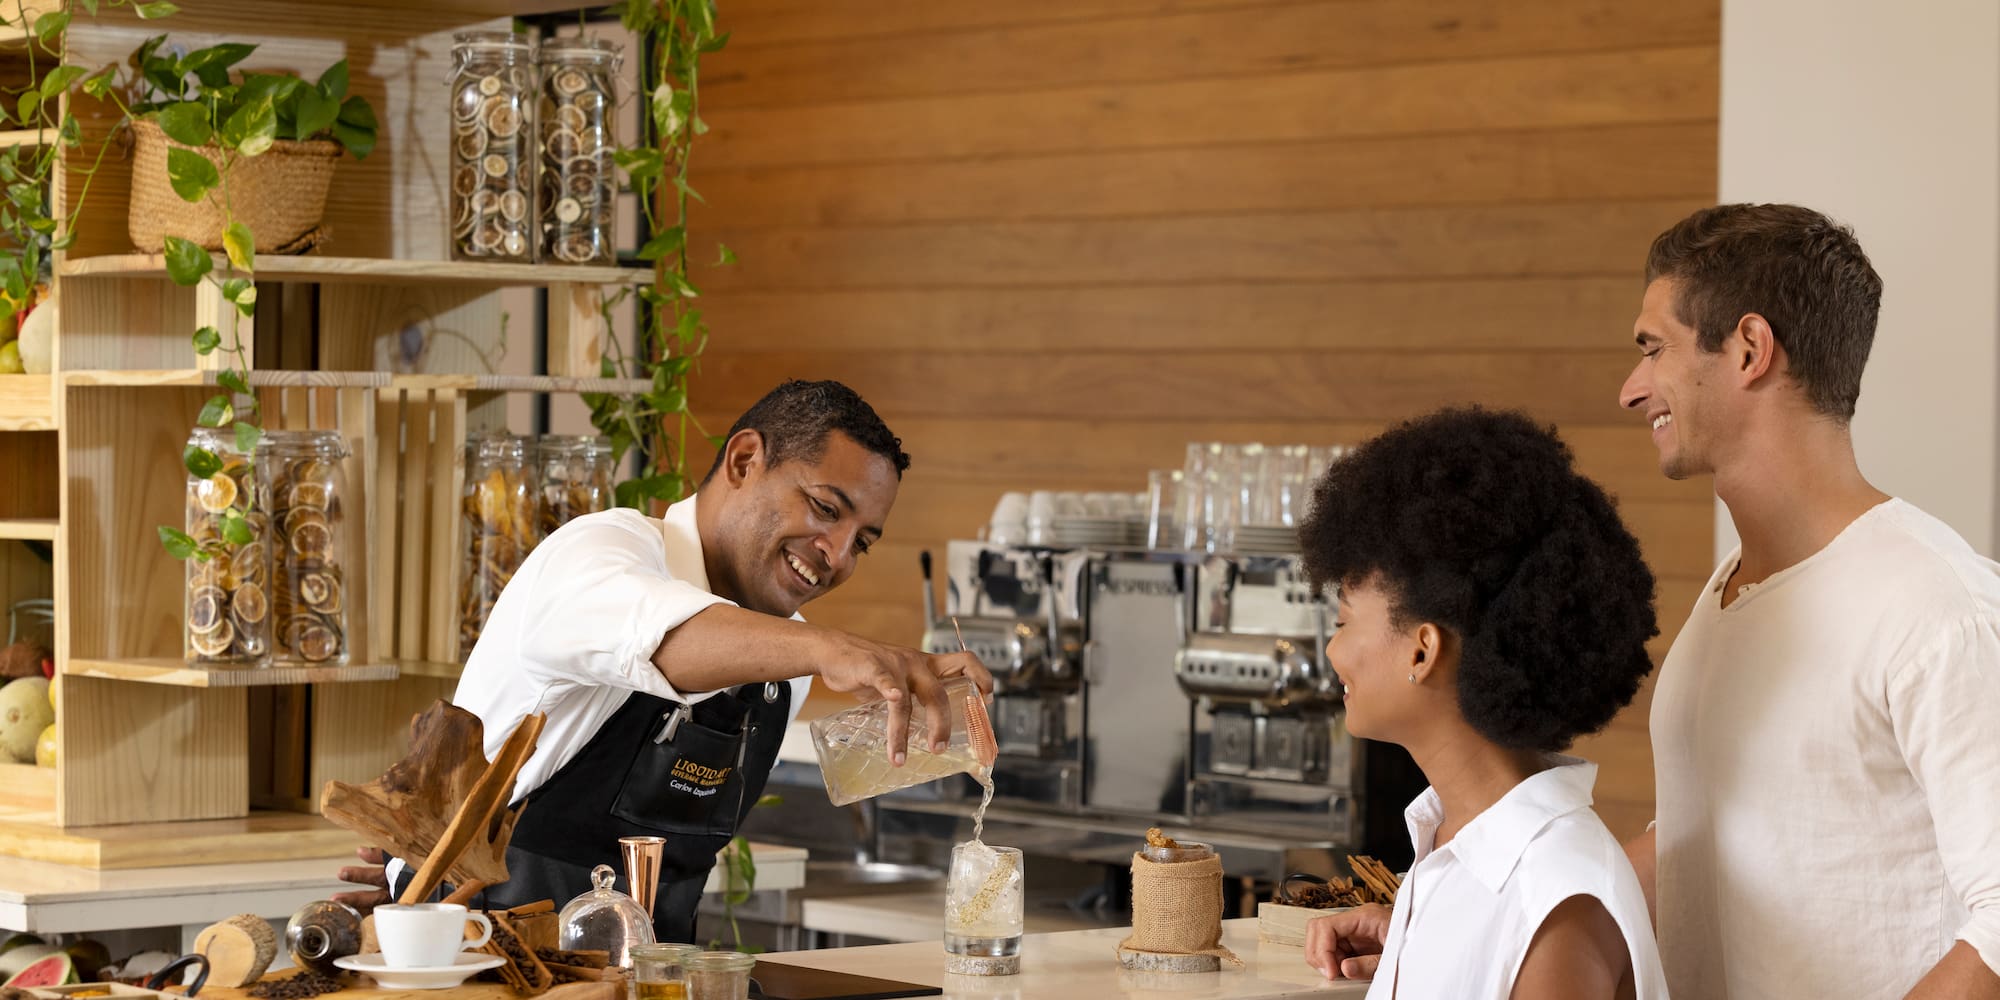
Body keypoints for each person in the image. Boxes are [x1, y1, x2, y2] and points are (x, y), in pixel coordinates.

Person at [334, 379, 991, 942]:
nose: (838, 556)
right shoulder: (599, 552)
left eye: (863, 543)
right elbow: (663, 639)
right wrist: (832, 648)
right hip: (486, 974)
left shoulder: (777, 676)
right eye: (825, 509)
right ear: (743, 460)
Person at [1618, 204, 2000, 999]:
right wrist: (1450, 921)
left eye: (1654, 349)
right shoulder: (1726, 596)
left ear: (1751, 349)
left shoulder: (1936, 608)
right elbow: (1693, 847)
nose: (1632, 390)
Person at [1297, 407, 1667, 1000]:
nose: (1333, 648)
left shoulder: (1555, 898)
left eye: (1342, 622)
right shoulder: (1451, 848)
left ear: (1422, 652)